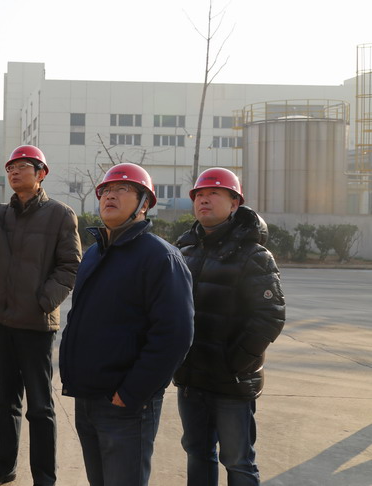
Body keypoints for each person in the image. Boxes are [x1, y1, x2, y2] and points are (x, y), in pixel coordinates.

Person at [59, 162, 194, 486]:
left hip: (126, 405)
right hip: (88, 397)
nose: (110, 195)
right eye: (106, 190)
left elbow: (175, 335)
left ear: (144, 203)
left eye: (123, 189)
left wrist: (132, 392)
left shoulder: (160, 257)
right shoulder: (94, 254)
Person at [0, 145, 81, 486]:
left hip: (36, 324)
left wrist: (44, 301)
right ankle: (4, 467)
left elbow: (70, 265)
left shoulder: (60, 214)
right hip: (3, 322)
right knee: (6, 402)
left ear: (41, 173)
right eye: (10, 167)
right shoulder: (1, 214)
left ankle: (44, 477)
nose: (13, 172)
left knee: (40, 406)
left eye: (22, 166)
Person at [173, 168, 285, 486]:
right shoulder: (184, 251)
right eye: (199, 195)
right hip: (191, 379)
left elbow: (270, 316)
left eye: (214, 193)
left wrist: (234, 363)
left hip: (232, 382)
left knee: (238, 461)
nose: (204, 200)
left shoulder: (254, 255)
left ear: (235, 203)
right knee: (197, 453)